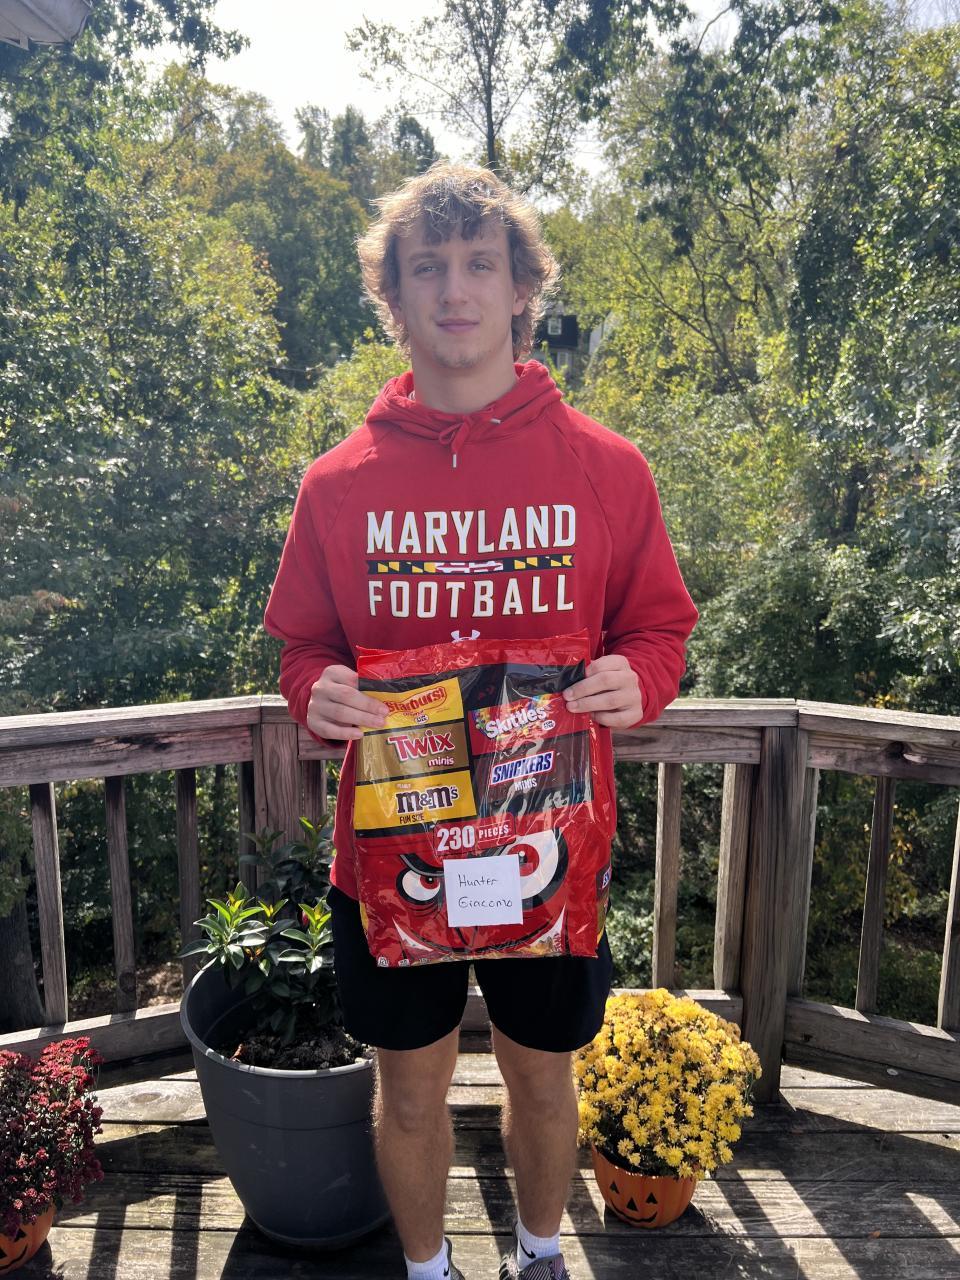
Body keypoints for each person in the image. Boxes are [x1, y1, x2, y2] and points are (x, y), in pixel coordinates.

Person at [263, 162, 698, 1280]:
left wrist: (640, 678)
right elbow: (302, 646)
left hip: (549, 843)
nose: (454, 289)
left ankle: (540, 1256)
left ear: (520, 290)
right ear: (394, 297)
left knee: (542, 1075)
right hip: (396, 844)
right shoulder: (337, 484)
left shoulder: (608, 468)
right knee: (408, 1087)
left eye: (479, 264)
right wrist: (315, 690)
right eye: (427, 267)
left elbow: (659, 627)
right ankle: (428, 1269)